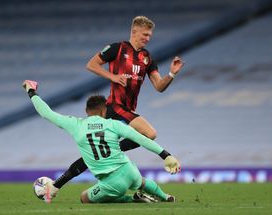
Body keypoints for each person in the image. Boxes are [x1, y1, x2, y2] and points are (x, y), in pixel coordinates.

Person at [51, 15, 184, 199]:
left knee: (96, 154)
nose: (147, 38)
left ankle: (57, 184)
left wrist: (172, 74)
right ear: (134, 31)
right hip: (115, 107)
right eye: (145, 34)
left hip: (128, 109)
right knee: (150, 134)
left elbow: (159, 86)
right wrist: (112, 77)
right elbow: (91, 65)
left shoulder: (147, 57)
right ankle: (111, 152)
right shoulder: (117, 49)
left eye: (150, 35)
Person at [23, 80, 180, 203]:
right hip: (129, 171)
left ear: (86, 111)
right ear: (104, 110)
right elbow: (141, 138)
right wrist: (166, 155)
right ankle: (165, 196)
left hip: (111, 182)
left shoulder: (76, 125)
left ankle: (133, 199)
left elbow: (46, 113)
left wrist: (31, 92)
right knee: (143, 182)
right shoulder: (114, 124)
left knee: (84, 198)